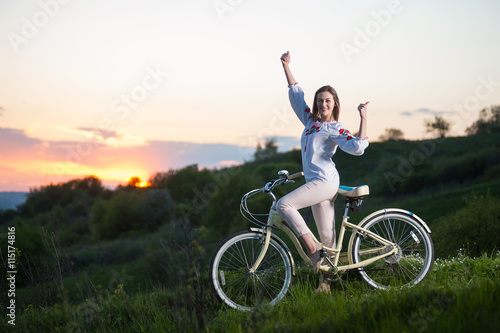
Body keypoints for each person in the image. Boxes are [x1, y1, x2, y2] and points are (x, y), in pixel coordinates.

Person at [276, 51, 370, 293]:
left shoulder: (334, 127)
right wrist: (286, 66)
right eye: (320, 100)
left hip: (325, 183)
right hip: (317, 183)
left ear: (334, 104)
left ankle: (312, 248)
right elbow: (297, 99)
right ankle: (325, 285)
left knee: (284, 205)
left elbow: (357, 147)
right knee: (327, 237)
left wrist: (363, 117)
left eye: (327, 100)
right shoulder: (310, 123)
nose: (323, 104)